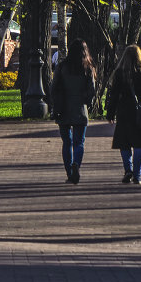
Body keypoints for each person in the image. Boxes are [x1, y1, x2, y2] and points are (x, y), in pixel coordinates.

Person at [106, 44, 141, 184]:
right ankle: (137, 175)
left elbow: (114, 95)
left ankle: (128, 170)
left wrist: (110, 113)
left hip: (124, 111)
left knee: (124, 143)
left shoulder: (120, 72)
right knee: (139, 144)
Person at [48, 38, 97, 184]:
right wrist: (88, 102)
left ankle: (69, 172)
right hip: (80, 108)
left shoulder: (62, 66)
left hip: (63, 108)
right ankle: (77, 164)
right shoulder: (88, 68)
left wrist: (55, 102)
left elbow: (54, 86)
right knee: (79, 142)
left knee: (66, 142)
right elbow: (92, 90)